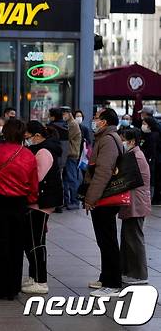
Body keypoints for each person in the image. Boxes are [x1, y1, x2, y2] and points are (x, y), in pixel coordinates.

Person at [0, 118, 38, 301]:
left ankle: (5, 288)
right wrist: (29, 199)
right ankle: (14, 285)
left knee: (2, 245)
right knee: (17, 245)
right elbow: (33, 184)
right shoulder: (28, 154)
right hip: (19, 203)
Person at [21, 121, 63, 295]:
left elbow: (36, 178)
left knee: (36, 242)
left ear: (37, 136)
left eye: (28, 137)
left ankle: (40, 280)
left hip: (41, 202)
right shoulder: (41, 149)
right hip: (38, 201)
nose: (26, 141)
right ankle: (34, 276)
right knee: (31, 240)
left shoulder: (44, 151)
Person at [84, 108, 123, 297]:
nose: (94, 121)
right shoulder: (106, 137)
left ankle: (113, 283)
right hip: (103, 197)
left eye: (96, 118)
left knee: (108, 240)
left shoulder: (108, 140)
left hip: (105, 198)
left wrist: (91, 199)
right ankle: (105, 277)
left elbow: (103, 172)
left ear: (105, 122)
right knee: (104, 240)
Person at [118, 128, 151, 285]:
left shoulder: (135, 157)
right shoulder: (133, 154)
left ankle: (139, 275)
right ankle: (129, 271)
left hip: (136, 203)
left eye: (123, 139)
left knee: (134, 238)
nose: (121, 142)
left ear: (131, 141)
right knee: (128, 237)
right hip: (133, 202)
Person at [62, 106, 82, 210]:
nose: (63, 116)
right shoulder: (68, 124)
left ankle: (75, 201)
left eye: (64, 113)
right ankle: (67, 200)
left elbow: (67, 137)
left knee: (72, 178)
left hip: (71, 154)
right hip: (68, 154)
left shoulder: (73, 124)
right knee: (66, 179)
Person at [141, 117, 161, 204]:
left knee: (152, 181)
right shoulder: (149, 135)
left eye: (144, 124)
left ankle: (152, 198)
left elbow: (150, 151)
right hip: (154, 161)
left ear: (150, 125)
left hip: (153, 162)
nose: (143, 126)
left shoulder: (153, 136)